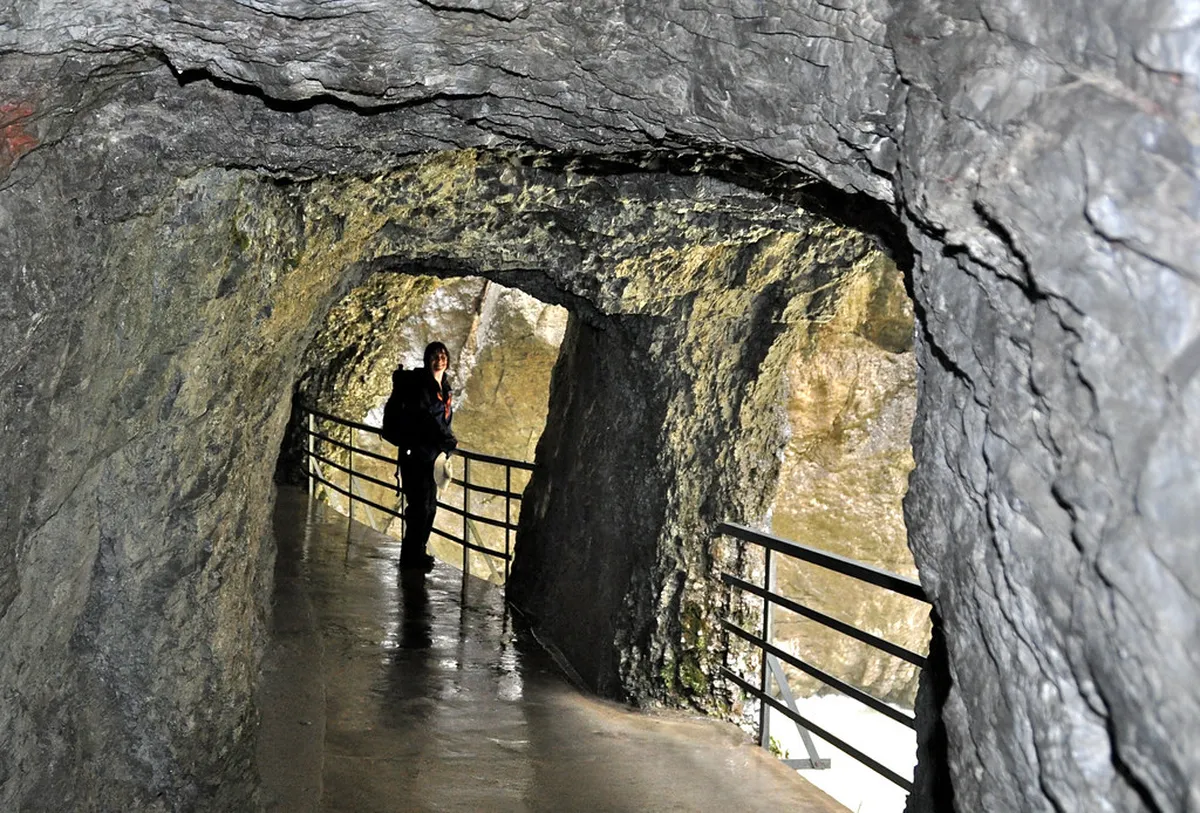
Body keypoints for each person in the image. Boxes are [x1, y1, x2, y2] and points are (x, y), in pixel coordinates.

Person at [391, 341, 458, 572]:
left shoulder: (444, 386)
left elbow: (441, 419)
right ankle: (410, 558)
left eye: (443, 356)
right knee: (419, 508)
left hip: (433, 457)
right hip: (416, 456)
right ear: (427, 359)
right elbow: (425, 418)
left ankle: (418, 553)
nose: (440, 360)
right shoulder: (421, 387)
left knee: (429, 507)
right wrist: (446, 440)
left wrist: (446, 442)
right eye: (435, 356)